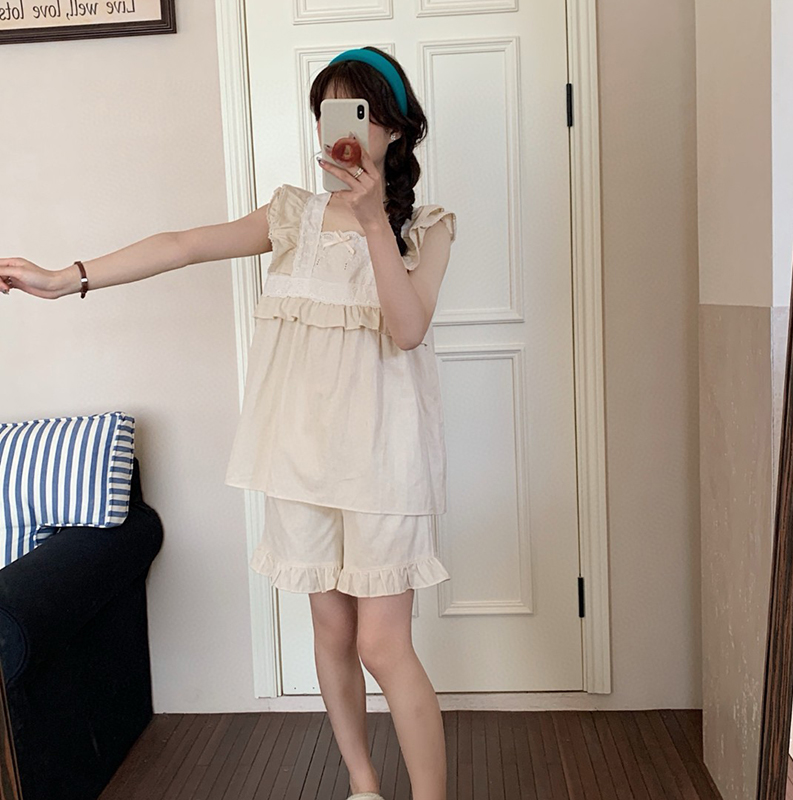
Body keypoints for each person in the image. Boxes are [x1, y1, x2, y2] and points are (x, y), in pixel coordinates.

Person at [0, 46, 456, 800]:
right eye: (328, 114)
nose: (341, 131)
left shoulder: (426, 227)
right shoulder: (292, 215)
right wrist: (63, 279)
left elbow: (407, 329)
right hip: (299, 459)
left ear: (396, 130)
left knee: (383, 644)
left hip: (385, 464)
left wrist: (375, 222)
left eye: (360, 114)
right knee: (332, 633)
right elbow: (183, 245)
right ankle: (364, 787)